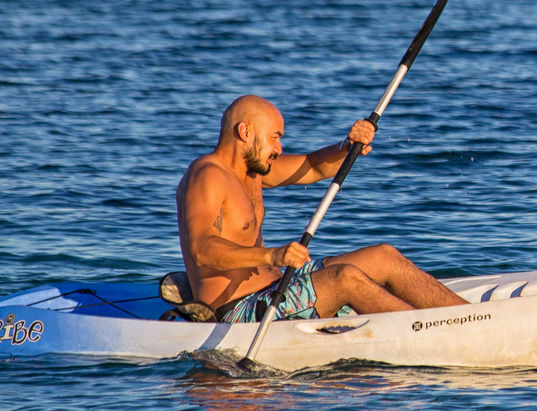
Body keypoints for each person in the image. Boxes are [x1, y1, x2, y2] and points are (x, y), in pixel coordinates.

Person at [175, 95, 467, 322]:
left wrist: (347, 146)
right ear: (245, 131)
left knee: (384, 256)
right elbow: (203, 250)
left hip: (279, 287)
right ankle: (425, 333)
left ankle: (466, 319)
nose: (279, 148)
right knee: (345, 278)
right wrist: (273, 254)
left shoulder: (253, 172)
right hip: (240, 311)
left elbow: (313, 166)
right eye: (274, 137)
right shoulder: (207, 176)